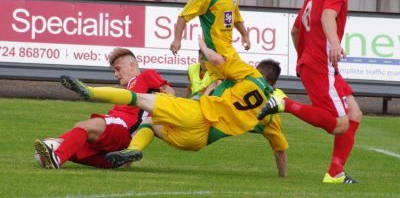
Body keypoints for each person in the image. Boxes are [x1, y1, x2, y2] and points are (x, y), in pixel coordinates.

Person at [59, 36, 278, 173]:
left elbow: (219, 62)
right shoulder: (271, 105)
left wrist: (203, 44)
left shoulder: (247, 74)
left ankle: (90, 91)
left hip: (196, 115)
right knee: (149, 120)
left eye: (118, 69)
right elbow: (281, 147)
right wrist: (283, 176)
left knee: (141, 101)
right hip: (199, 140)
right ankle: (130, 153)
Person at [258, 0, 362, 184]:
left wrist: (301, 58)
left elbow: (296, 31)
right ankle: (285, 103)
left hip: (316, 63)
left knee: (354, 115)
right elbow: (328, 16)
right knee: (340, 124)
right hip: (321, 65)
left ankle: (335, 172)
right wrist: (334, 42)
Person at [34, 47, 175, 169]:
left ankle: (56, 159)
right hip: (115, 131)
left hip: (124, 128)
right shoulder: (125, 92)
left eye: (118, 69)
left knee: (85, 126)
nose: (115, 74)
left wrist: (160, 113)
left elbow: (169, 92)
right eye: (114, 70)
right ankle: (113, 161)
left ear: (132, 66)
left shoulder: (146, 76)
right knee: (64, 142)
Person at [187, 51, 288, 177]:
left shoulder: (239, 79)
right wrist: (283, 176)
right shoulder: (270, 116)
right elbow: (280, 151)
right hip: (215, 128)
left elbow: (219, 74)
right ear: (274, 83)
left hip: (208, 121)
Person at [170, 0, 250, 82]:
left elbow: (235, 16)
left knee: (236, 84)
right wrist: (177, 40)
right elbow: (183, 16)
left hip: (229, 48)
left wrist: (245, 35)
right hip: (214, 52)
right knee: (234, 82)